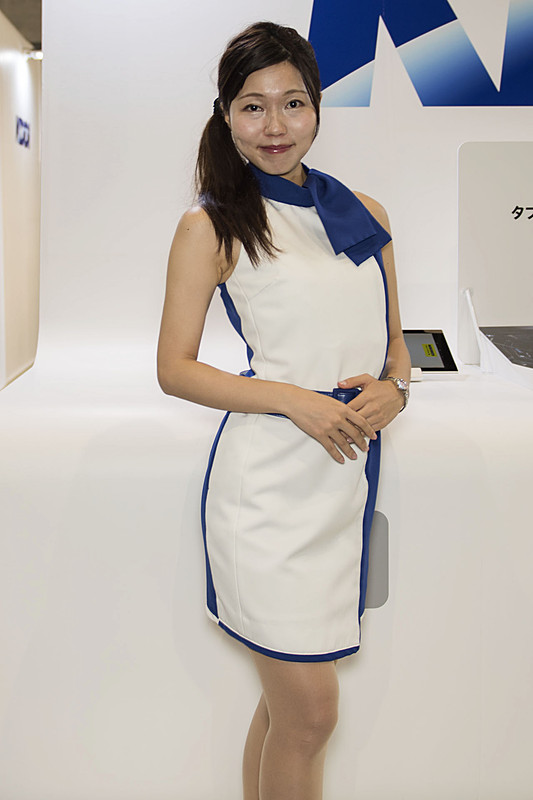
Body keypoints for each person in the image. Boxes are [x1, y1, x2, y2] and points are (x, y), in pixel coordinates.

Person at [157, 21, 411, 800]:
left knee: (284, 710)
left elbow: (394, 345)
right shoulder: (211, 224)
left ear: (317, 107)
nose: (275, 125)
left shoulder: (365, 211)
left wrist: (395, 390)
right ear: (226, 116)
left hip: (339, 484)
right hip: (265, 495)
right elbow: (174, 369)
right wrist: (295, 400)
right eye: (253, 106)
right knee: (309, 715)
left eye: (292, 103)